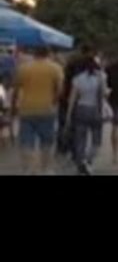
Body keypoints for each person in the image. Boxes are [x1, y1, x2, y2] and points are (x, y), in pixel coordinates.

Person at [10, 45, 64, 175]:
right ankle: (46, 170)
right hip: (47, 109)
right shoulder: (55, 68)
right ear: (49, 54)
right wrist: (54, 101)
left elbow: (15, 90)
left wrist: (13, 107)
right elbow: (60, 90)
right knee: (47, 142)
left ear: (34, 54)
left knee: (26, 142)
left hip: (26, 109)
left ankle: (28, 170)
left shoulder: (23, 68)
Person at [66, 53, 106, 175]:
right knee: (96, 140)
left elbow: (72, 98)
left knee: (80, 139)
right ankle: (88, 160)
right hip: (95, 109)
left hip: (81, 109)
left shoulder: (77, 79)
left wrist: (68, 115)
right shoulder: (101, 78)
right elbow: (103, 95)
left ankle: (80, 162)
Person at [57, 44, 94, 159]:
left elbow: (65, 81)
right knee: (78, 126)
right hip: (81, 99)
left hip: (67, 97)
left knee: (65, 123)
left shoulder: (70, 65)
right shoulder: (88, 64)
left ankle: (63, 147)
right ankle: (75, 150)